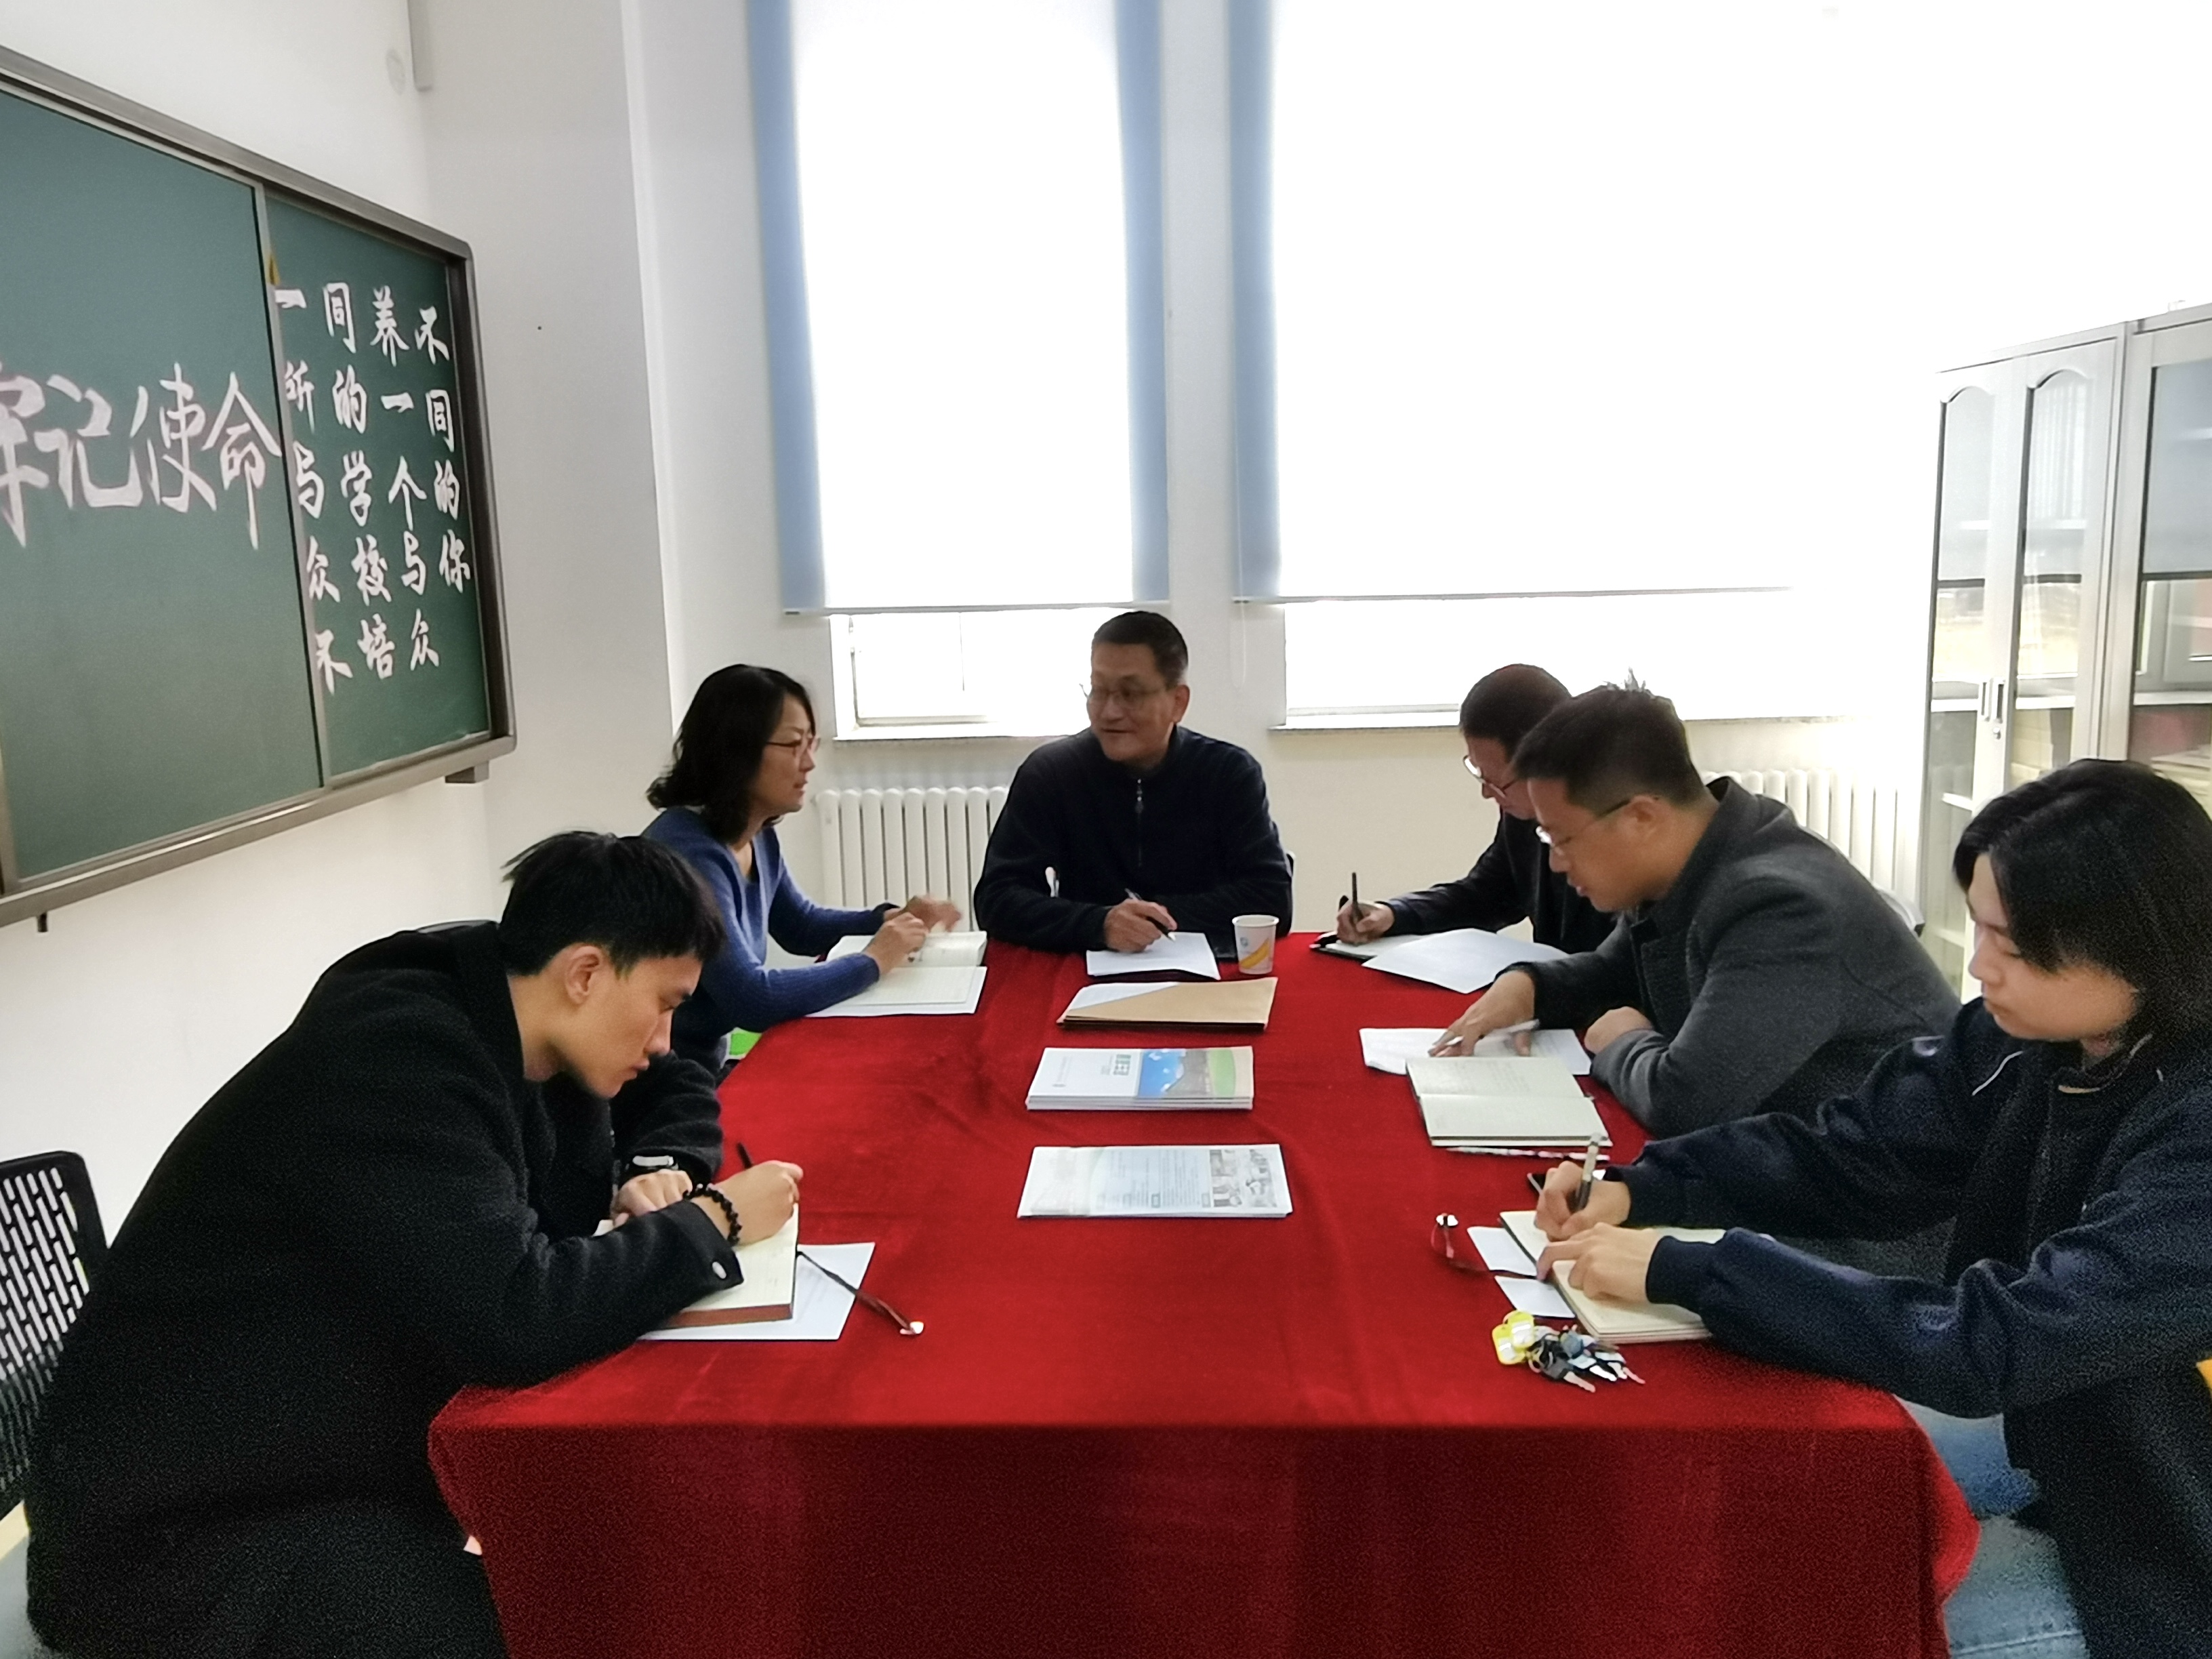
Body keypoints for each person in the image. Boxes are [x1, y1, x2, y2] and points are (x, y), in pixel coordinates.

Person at [26, 832, 804, 1659]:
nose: (663, 1037)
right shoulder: (396, 1062)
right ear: (586, 974)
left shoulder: (521, 1009)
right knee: (565, 1626)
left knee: (622, 1578)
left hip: (323, 1477)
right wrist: (711, 1221)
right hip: (184, 1545)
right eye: (663, 1003)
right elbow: (517, 1316)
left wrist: (663, 1166)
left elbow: (675, 1078)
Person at [1531, 760, 2212, 1658]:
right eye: (1981, 928)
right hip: (2068, 1435)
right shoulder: (2043, 1034)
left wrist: (1696, 1268)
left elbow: (1993, 1344)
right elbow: (1856, 1153)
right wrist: (1645, 1185)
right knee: (1775, 1497)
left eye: (2012, 945)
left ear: (2134, 942)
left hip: (2162, 1533)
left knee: (1828, 1612)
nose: (1980, 967)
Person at [1433, 682, 1957, 1135]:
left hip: (1887, 1196)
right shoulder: (1694, 858)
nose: (1555, 863)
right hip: (1784, 1152)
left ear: (1641, 818)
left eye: (1563, 838)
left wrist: (1624, 1041)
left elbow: (1683, 1103)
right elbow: (1613, 972)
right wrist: (1529, 985)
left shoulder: (1780, 910)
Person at [644, 665, 959, 1067]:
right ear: (736, 751)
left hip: (700, 1065)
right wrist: (875, 959)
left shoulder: (755, 833)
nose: (809, 762)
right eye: (794, 745)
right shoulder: (686, 855)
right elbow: (752, 999)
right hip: (660, 1076)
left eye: (812, 743)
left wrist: (889, 920)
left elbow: (801, 926)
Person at [972, 610, 1293, 956]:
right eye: (1099, 690)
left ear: (1178, 702)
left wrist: (1153, 919)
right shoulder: (1051, 773)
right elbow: (998, 898)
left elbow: (1271, 898)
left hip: (1204, 969)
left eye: (1130, 693)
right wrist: (1099, 923)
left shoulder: (1228, 773)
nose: (1109, 711)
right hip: (1085, 967)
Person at [1334, 663, 1612, 954]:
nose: (1486, 793)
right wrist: (1394, 914)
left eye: (1496, 783)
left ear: (1544, 763)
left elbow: (1616, 961)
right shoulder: (1520, 813)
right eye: (1480, 775)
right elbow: (1487, 894)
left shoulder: (1616, 828)